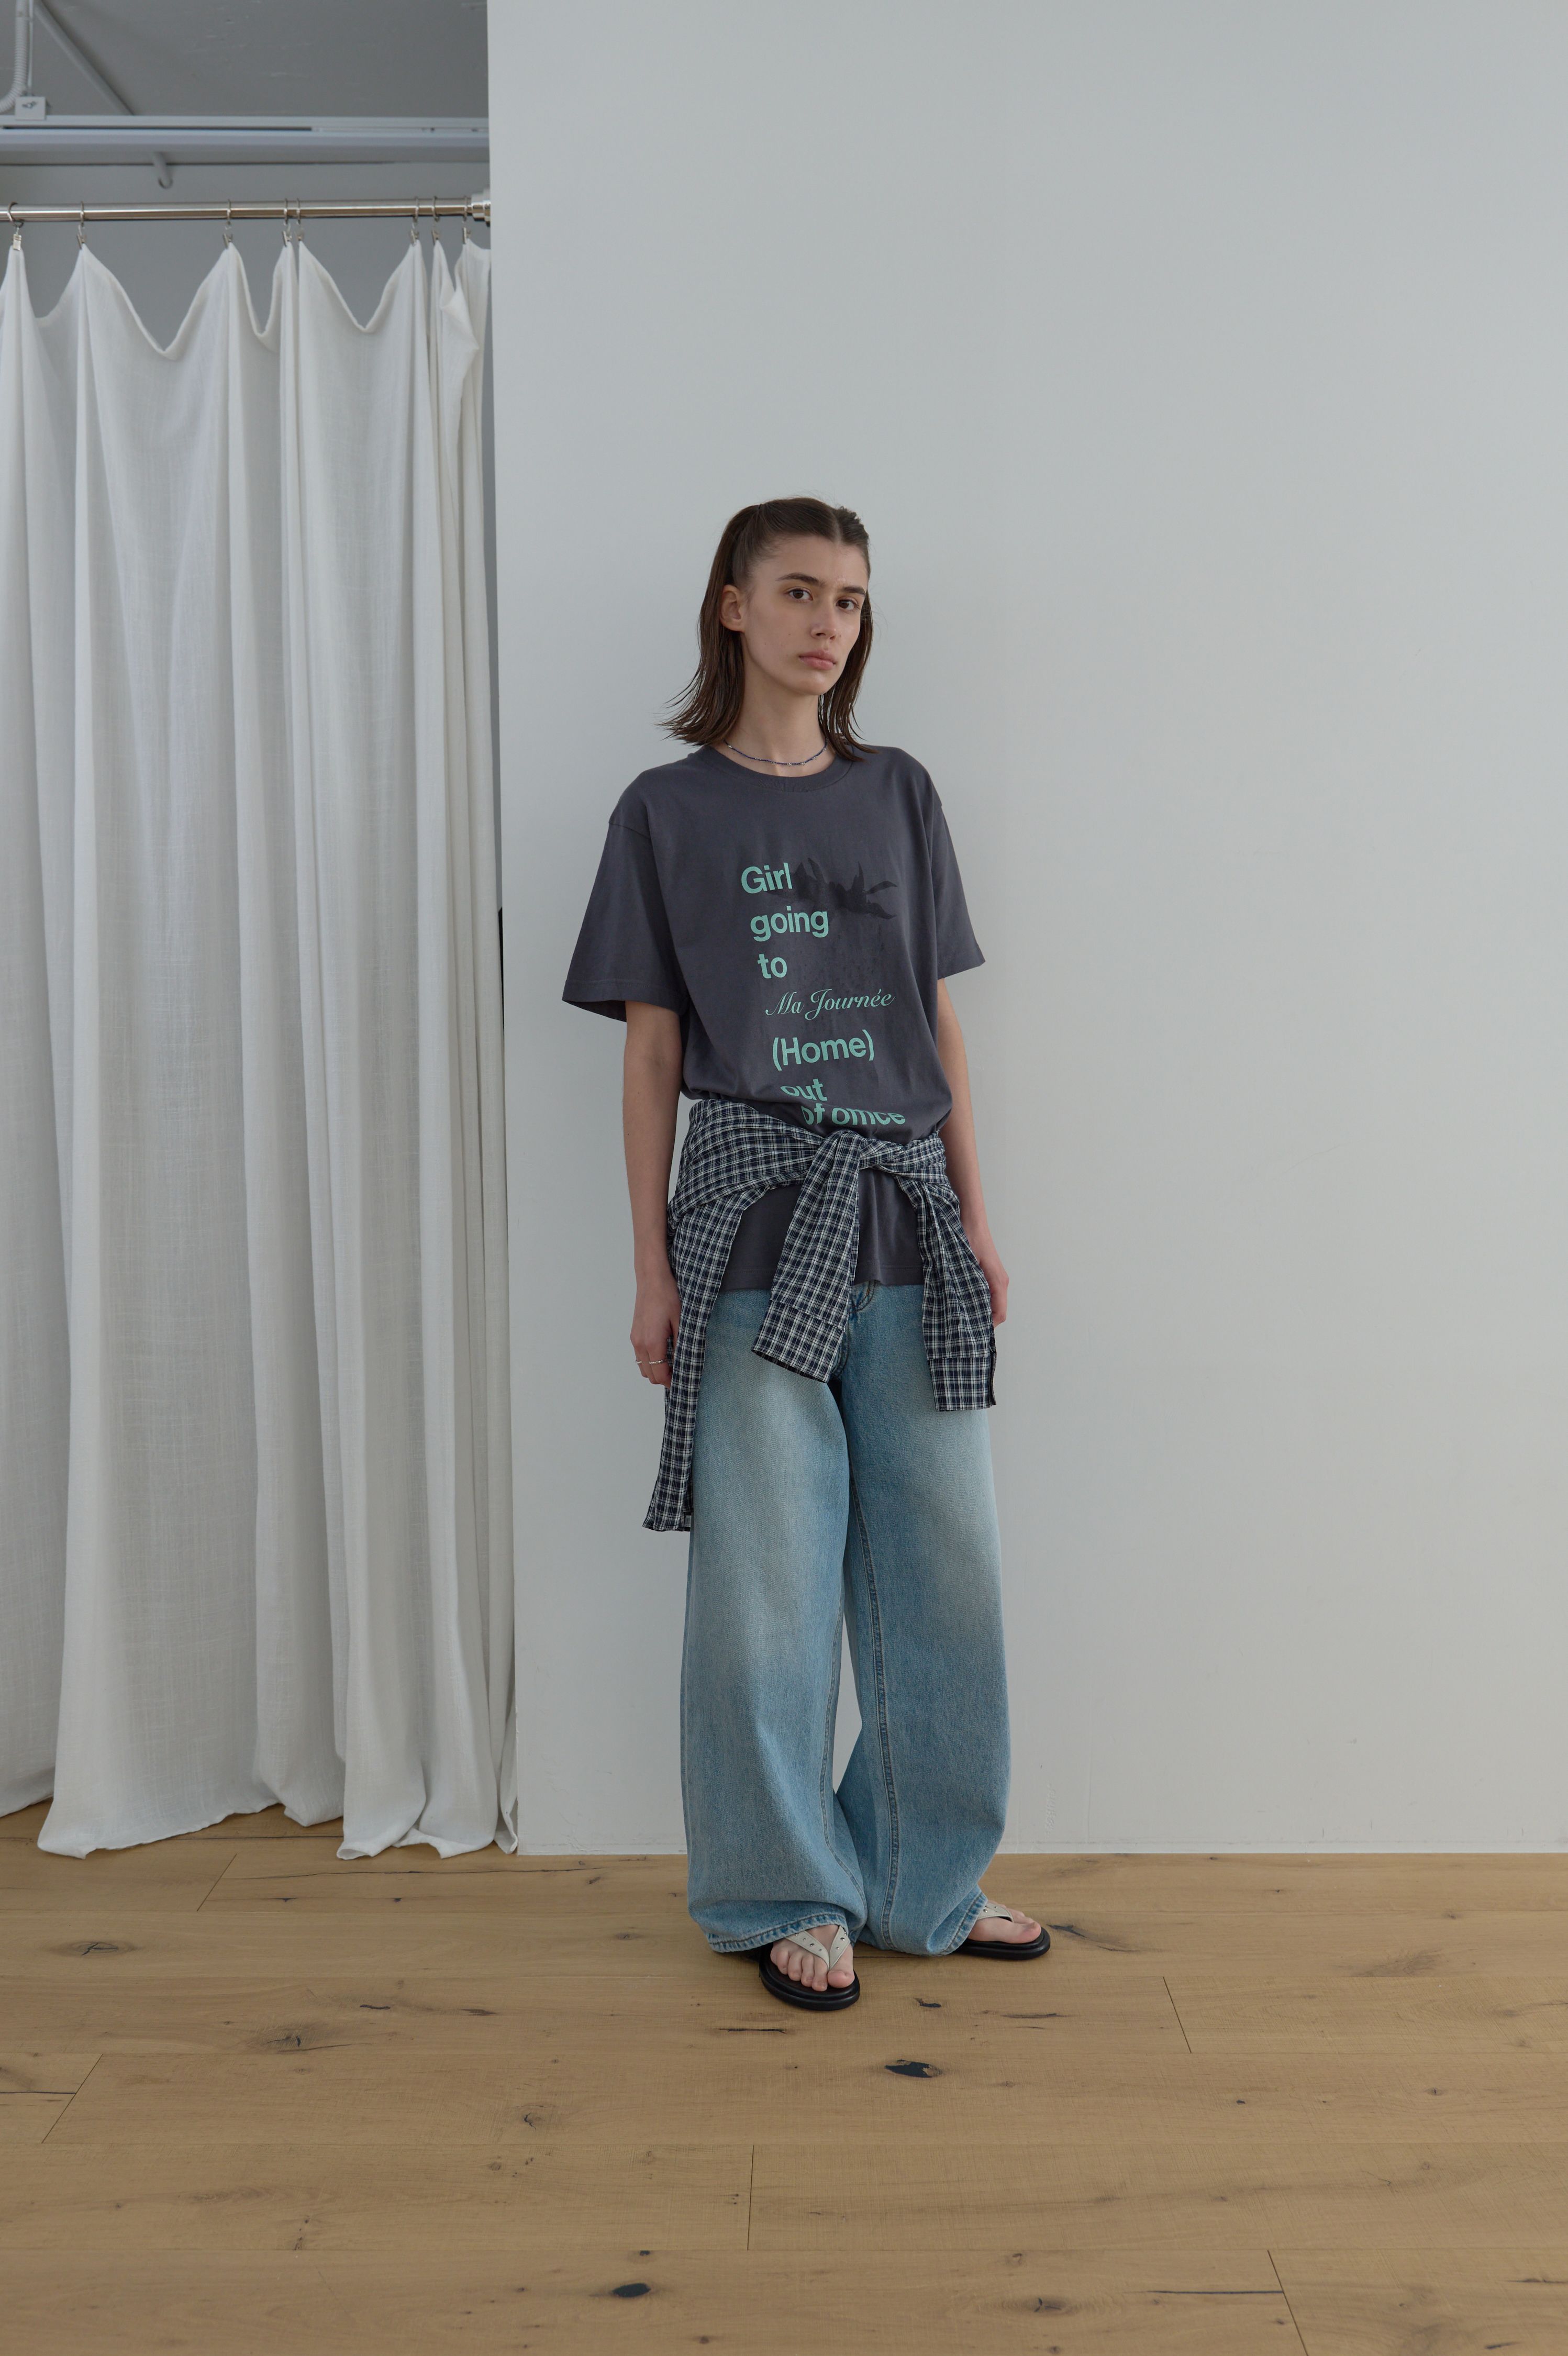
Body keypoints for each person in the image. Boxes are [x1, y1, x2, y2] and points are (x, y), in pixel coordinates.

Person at [562, 496, 1049, 2010]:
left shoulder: (899, 792)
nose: (827, 621)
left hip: (906, 1216)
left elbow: (938, 1021)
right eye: (795, 591)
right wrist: (649, 1266)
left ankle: (920, 1882)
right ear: (731, 605)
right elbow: (652, 1055)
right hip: (751, 1223)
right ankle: (782, 1889)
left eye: (847, 598)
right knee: (765, 1583)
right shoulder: (665, 812)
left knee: (945, 1570)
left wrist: (976, 1219)